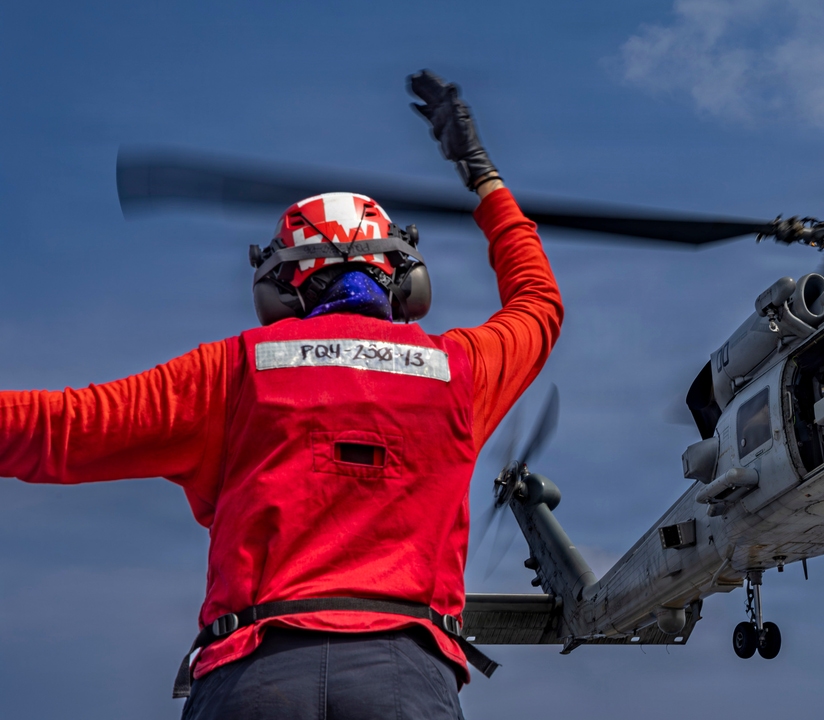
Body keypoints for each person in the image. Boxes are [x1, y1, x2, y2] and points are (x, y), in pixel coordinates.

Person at [0, 70, 562, 719]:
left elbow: (58, 429)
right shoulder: (460, 370)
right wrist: (483, 176)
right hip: (405, 678)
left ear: (279, 284)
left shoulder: (232, 372)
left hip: (255, 677)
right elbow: (538, 303)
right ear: (405, 280)